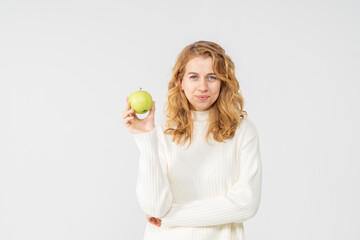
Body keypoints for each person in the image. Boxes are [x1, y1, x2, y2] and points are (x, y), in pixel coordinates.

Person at [122, 40, 262, 240]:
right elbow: (154, 207)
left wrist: (171, 216)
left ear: (223, 81)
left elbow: (246, 204)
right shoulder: (162, 133)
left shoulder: (242, 131)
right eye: (194, 77)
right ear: (181, 81)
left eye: (212, 77)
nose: (203, 87)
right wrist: (146, 138)